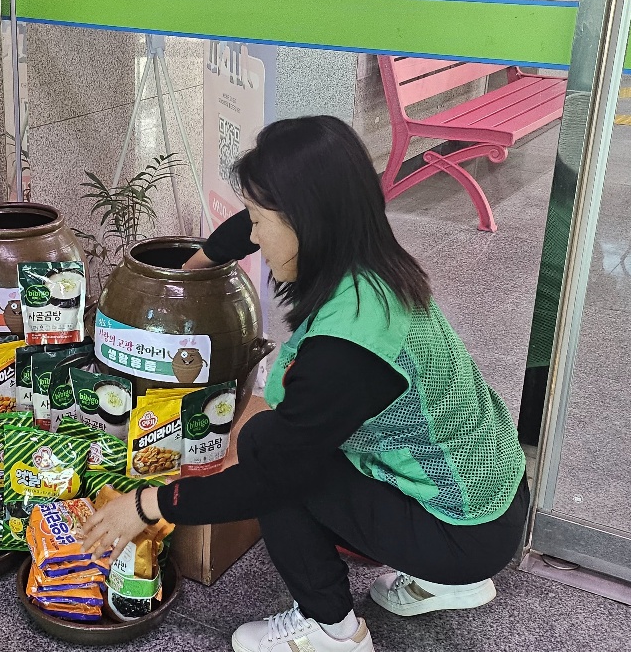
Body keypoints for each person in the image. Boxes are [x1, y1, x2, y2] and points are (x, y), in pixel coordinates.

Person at [81, 115, 530, 652]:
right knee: (282, 442)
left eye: (258, 220)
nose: (253, 236)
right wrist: (196, 267)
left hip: (460, 531)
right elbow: (242, 235)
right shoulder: (372, 261)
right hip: (492, 491)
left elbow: (272, 479)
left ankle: (333, 630)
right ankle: (451, 583)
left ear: (305, 220)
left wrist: (146, 506)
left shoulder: (346, 349)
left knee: (266, 448)